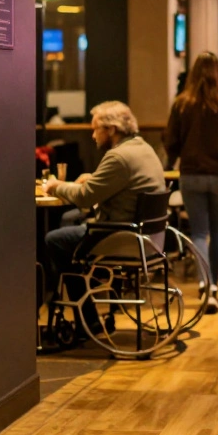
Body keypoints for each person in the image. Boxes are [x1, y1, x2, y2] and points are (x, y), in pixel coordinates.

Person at [42, 101, 166, 335]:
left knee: (55, 240)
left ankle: (88, 321)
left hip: (121, 235)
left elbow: (85, 198)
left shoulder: (118, 157)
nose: (92, 135)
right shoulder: (142, 148)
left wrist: (55, 186)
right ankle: (91, 302)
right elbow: (117, 185)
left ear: (111, 130)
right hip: (150, 236)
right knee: (70, 222)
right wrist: (95, 179)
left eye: (96, 128)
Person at [165, 53, 218, 313]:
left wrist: (172, 160)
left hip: (192, 174)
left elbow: (171, 141)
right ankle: (214, 288)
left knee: (199, 232)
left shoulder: (182, 103)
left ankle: (205, 283)